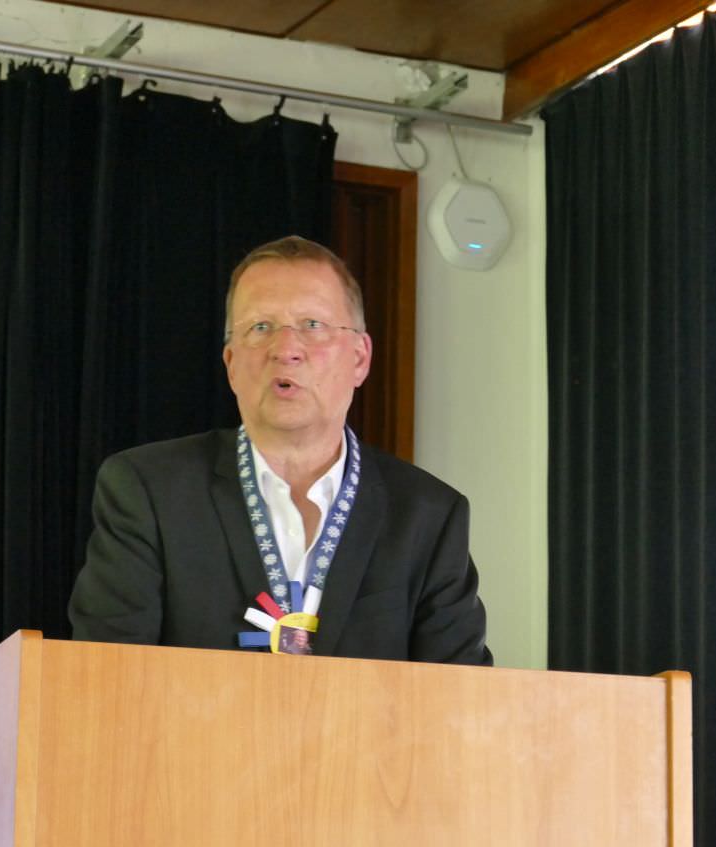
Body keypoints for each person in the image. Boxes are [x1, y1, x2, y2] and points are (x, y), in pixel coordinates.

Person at [68, 236, 491, 665]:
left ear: (360, 358)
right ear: (231, 364)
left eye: (313, 325)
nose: (286, 350)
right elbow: (106, 676)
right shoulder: (149, 491)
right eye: (260, 327)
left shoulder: (429, 516)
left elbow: (462, 693)